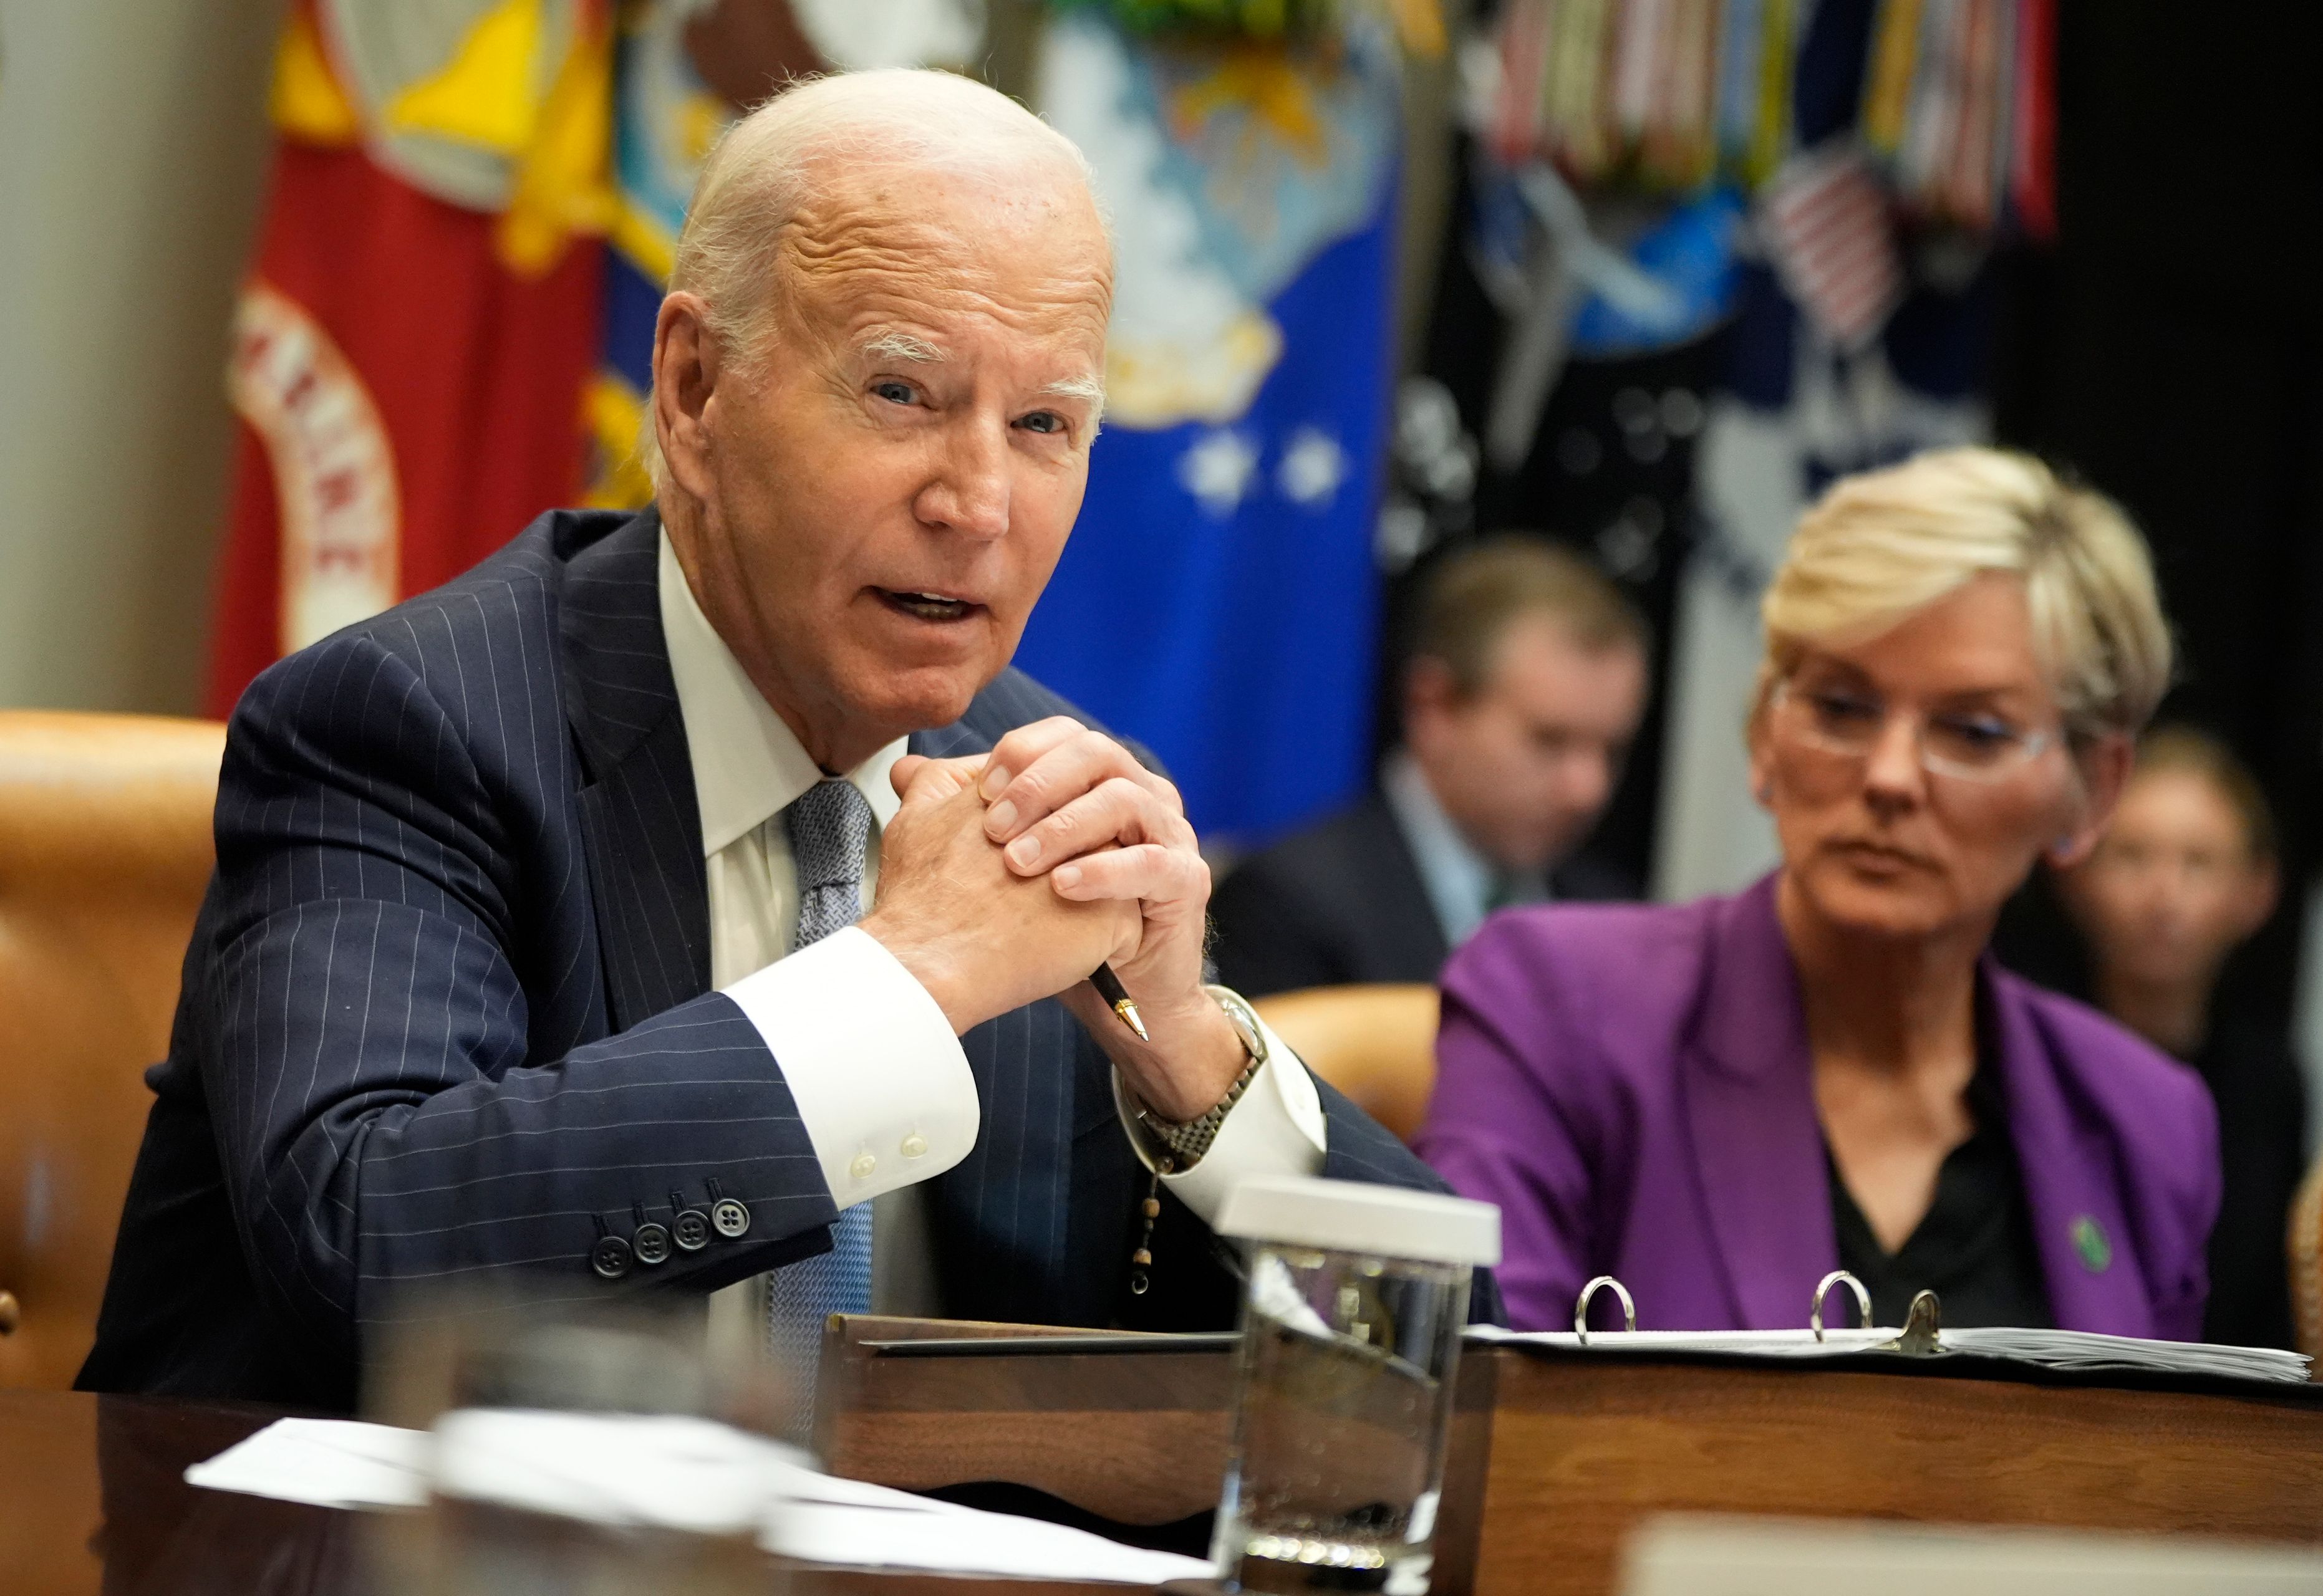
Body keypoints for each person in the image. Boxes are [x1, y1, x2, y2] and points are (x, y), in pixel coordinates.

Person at [78, 70, 1483, 1414]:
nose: (980, 503)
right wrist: (910, 978)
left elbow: (1443, 1370)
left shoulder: (1053, 790)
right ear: (691, 389)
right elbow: (372, 1240)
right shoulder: (411, 721)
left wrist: (1197, 1066)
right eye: (903, 394)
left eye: (1046, 422)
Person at [1416, 447, 2220, 1339]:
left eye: (1972, 730)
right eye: (1841, 708)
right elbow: (1482, 1421)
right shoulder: (1556, 1005)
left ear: (2095, 788)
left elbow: (2154, 1471)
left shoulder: (2150, 1122)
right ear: (1766, 732)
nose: (1888, 777)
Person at [1210, 536, 1649, 997]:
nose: (1588, 789)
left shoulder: (1617, 919)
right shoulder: (1291, 903)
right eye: (1549, 741)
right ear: (1434, 708)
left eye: (1612, 751)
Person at [2057, 726, 2306, 1348]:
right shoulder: (2028, 1052)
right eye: (2133, 855)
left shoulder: (2269, 1087)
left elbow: (2271, 1312)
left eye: (2198, 863)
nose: (2163, 895)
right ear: (2078, 873)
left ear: (2258, 892)